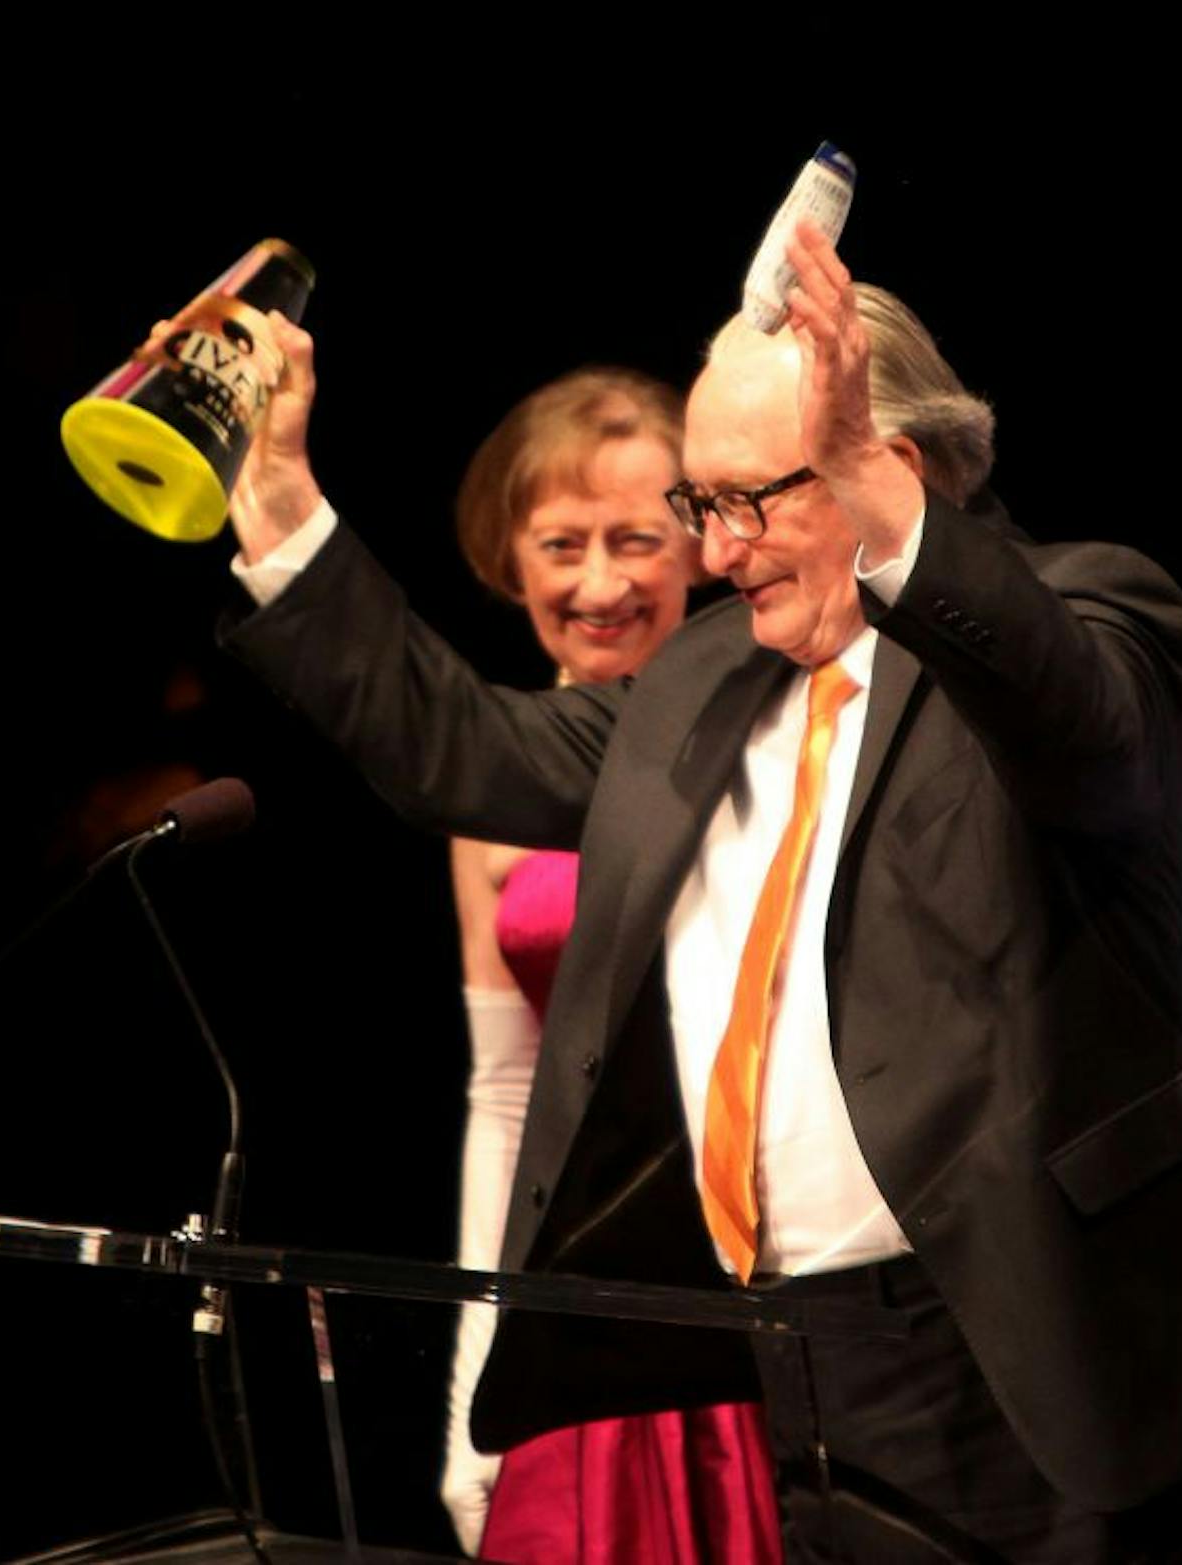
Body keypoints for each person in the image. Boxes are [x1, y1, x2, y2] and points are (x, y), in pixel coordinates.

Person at [215, 223, 1182, 1561]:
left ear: (891, 465)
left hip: (1044, 1350)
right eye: (702, 510)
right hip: (794, 1362)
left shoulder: (1088, 614)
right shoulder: (705, 683)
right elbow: (459, 747)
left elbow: (1085, 736)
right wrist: (279, 499)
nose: (717, 554)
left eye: (749, 500)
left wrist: (892, 521)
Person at [439, 370, 778, 1561]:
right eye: (562, 543)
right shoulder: (484, 797)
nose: (600, 582)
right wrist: (472, 1382)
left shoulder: (768, 746)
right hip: (574, 1341)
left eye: (637, 539)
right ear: (510, 558)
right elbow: (504, 1097)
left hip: (740, 1313)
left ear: (698, 542)